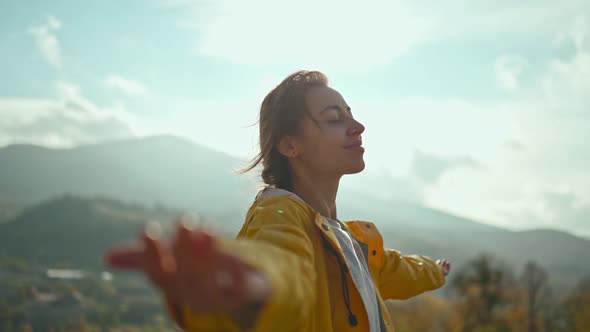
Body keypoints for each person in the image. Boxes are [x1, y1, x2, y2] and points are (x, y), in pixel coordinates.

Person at [105, 70, 451, 332]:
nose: (357, 126)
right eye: (334, 118)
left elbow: (393, 269)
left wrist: (435, 270)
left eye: (350, 113)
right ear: (289, 146)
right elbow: (285, 265)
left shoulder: (349, 238)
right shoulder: (279, 213)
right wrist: (254, 286)